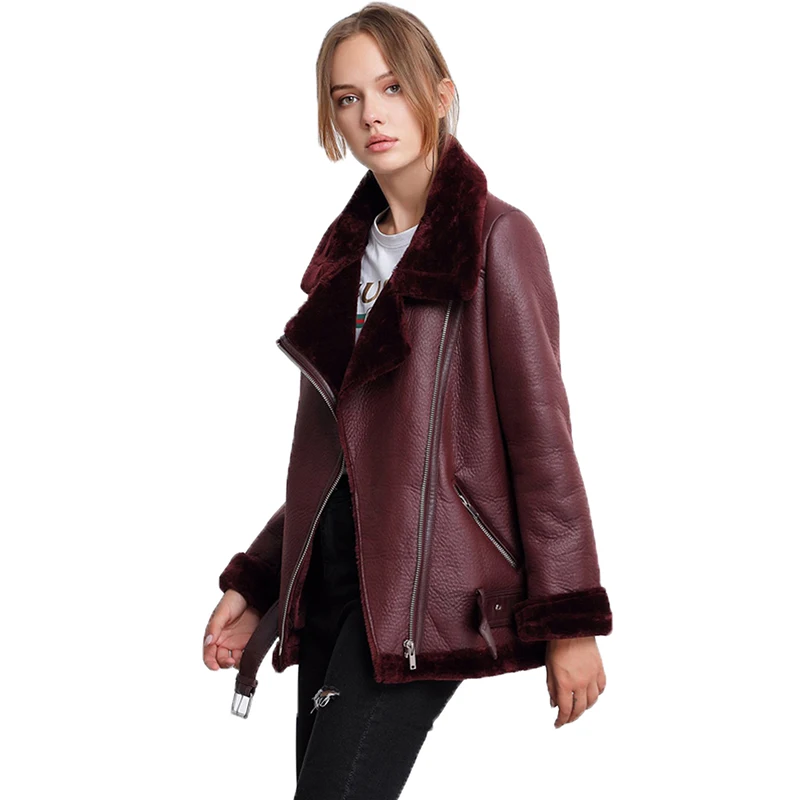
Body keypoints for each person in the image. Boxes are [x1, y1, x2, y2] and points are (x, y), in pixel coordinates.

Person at [203, 3, 613, 798]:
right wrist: (260, 581)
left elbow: (543, 444)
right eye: (348, 97)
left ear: (440, 92)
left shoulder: (495, 241)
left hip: (426, 591)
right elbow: (342, 464)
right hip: (334, 578)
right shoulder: (343, 266)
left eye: (392, 87)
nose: (371, 113)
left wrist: (569, 618)